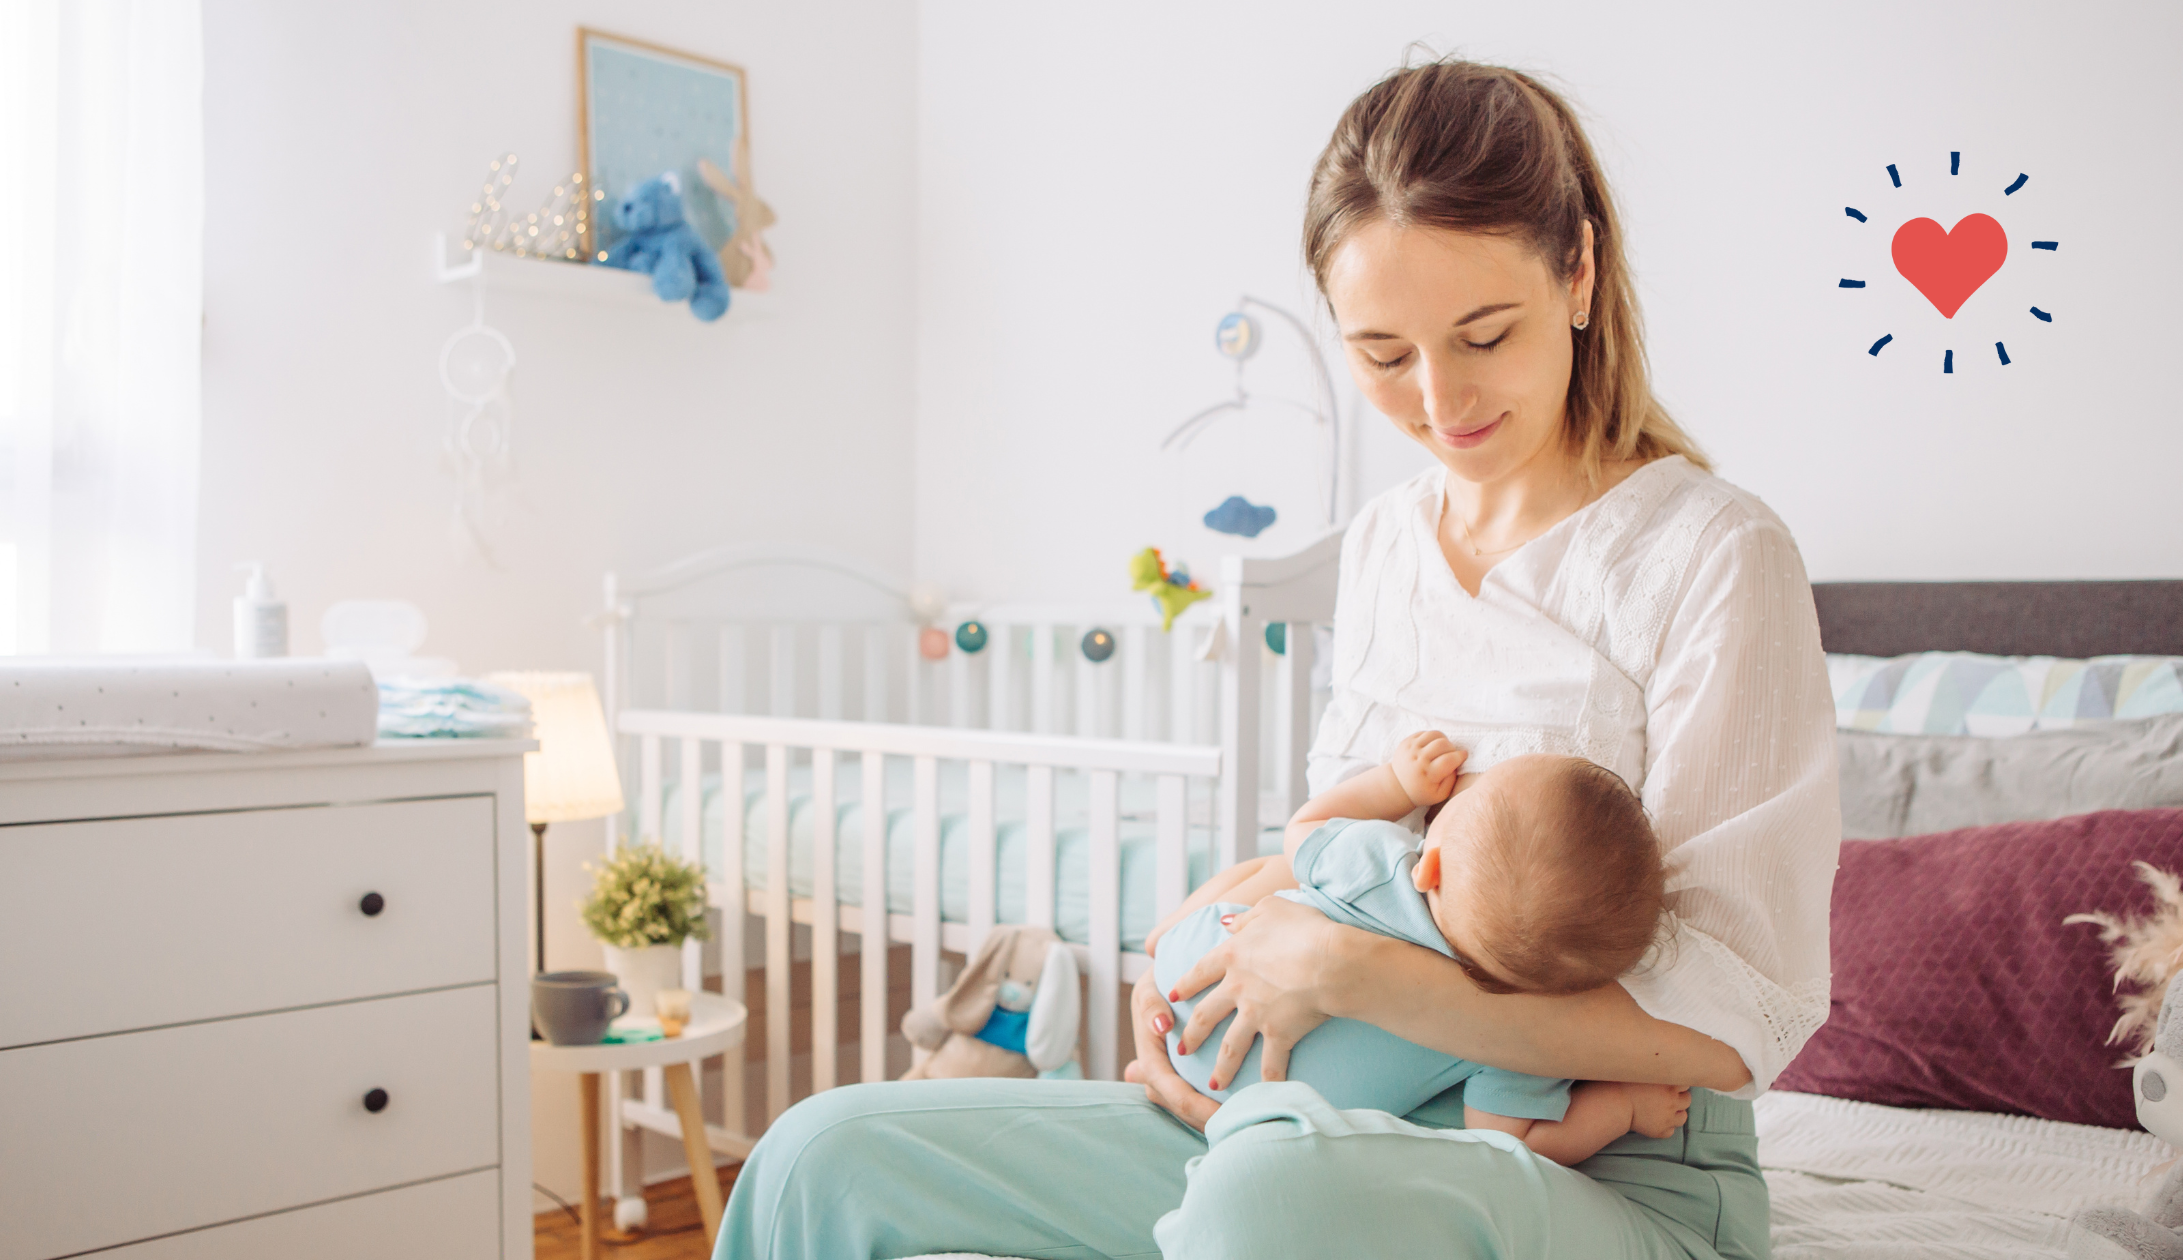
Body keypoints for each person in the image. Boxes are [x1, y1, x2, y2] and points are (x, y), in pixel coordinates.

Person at [713, 59, 1838, 1260]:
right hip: (1310, 1113)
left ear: (1577, 272)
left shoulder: (1711, 553)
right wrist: (1214, 940)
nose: (1438, 397)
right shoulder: (1384, 548)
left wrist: (1350, 975)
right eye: (1381, 352)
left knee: (1271, 1206)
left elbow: (1735, 1018)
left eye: (1481, 334)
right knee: (817, 1158)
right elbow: (1351, 852)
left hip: (1600, 1168)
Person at [1151, 731, 1695, 1166]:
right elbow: (1511, 1145)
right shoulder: (1522, 1033)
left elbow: (1303, 827)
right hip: (1274, 1119)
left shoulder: (1381, 861)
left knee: (1262, 870)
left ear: (1429, 864)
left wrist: (1397, 786)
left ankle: (1163, 934)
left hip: (1183, 988)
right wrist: (1622, 1107)